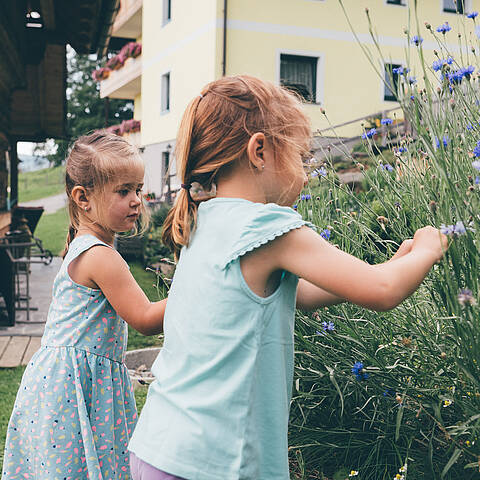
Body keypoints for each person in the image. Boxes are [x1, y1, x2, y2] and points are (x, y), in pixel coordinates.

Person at [128, 75, 448, 480]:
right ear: (259, 150)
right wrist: (427, 249)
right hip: (214, 462)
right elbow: (383, 292)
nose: (307, 171)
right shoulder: (265, 226)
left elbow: (307, 293)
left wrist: (389, 267)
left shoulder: (204, 221)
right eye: (302, 155)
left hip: (158, 448)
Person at [2, 132, 167, 479]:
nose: (137, 200)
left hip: (60, 382)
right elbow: (146, 318)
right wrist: (199, 289)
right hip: (75, 385)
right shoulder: (101, 256)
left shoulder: (84, 244)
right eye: (124, 191)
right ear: (83, 198)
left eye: (138, 189)